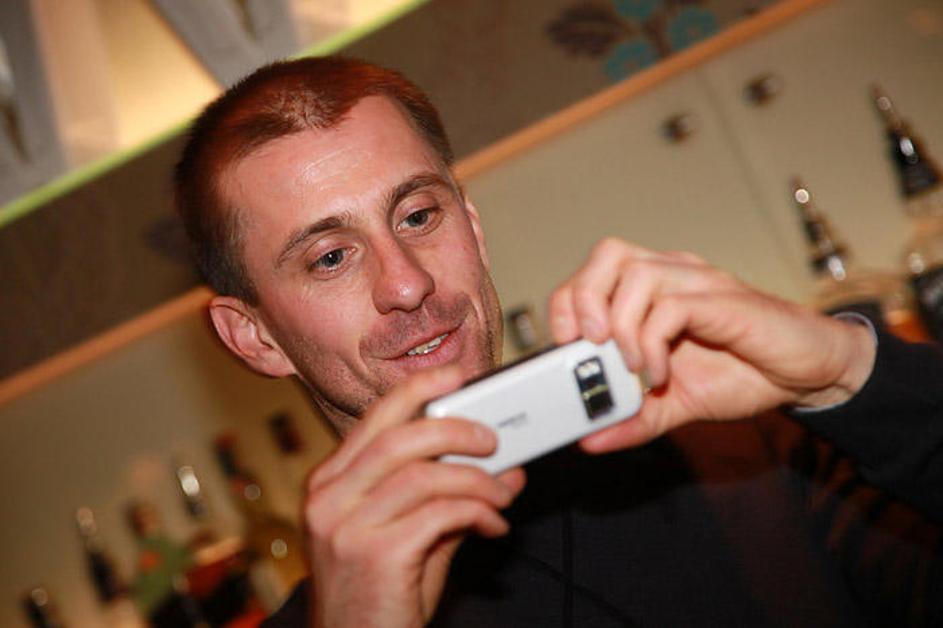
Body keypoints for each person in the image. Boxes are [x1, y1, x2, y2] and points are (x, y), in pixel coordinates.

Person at [175, 56, 941, 627]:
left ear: (472, 230)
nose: (406, 284)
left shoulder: (734, 451)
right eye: (330, 258)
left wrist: (848, 371)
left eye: (417, 216)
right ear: (254, 336)